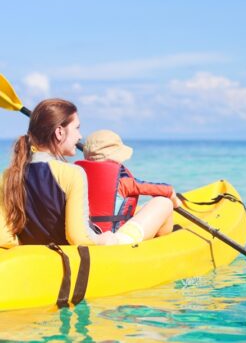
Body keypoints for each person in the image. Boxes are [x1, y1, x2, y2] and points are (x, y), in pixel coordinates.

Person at [0, 98, 176, 246]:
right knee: (164, 204)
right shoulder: (73, 173)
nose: (79, 136)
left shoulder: (8, 176)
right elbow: (78, 237)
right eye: (76, 128)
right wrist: (104, 239)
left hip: (40, 257)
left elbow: (5, 238)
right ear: (59, 132)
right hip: (86, 254)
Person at [75, 129, 180, 238]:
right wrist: (175, 202)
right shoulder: (123, 180)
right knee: (164, 202)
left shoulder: (78, 174)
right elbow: (166, 190)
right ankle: (164, 239)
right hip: (115, 238)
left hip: (88, 234)